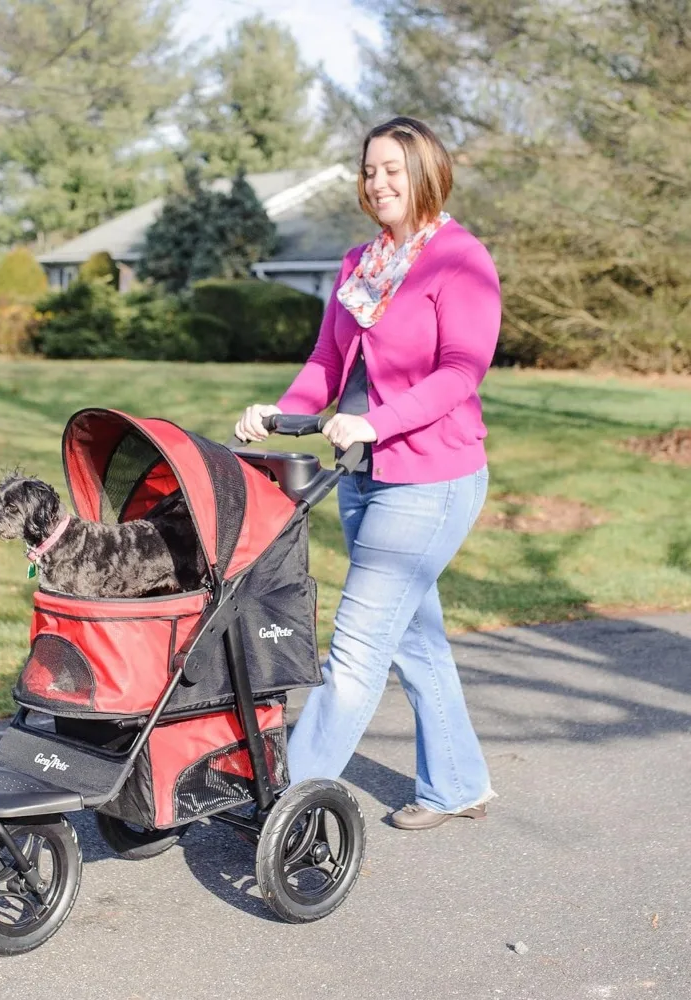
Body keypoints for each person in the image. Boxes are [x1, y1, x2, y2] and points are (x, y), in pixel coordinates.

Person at [234, 116, 500, 831]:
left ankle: (283, 801)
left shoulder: (459, 259)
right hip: (361, 474)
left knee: (354, 650)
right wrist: (280, 414)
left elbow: (460, 372)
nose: (378, 182)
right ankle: (457, 784)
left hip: (432, 478)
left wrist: (380, 421)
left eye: (393, 169)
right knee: (414, 640)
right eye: (369, 169)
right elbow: (328, 363)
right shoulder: (361, 263)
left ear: (426, 173)